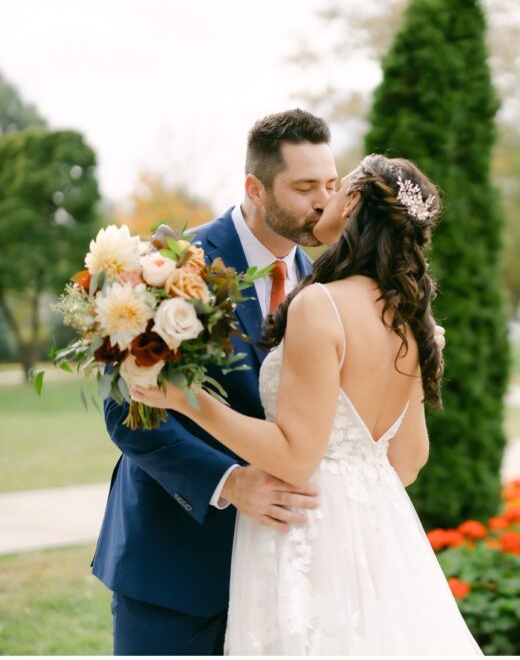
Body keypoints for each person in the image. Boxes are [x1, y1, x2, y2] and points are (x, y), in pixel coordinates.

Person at [129, 153, 482, 654]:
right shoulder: (412, 319)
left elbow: (297, 458)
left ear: (354, 202)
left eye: (337, 189)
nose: (324, 201)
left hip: (303, 530)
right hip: (375, 534)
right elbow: (406, 463)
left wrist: (186, 402)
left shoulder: (322, 303)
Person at [93, 109, 335, 655]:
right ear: (254, 187)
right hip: (175, 565)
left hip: (288, 572)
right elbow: (125, 413)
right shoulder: (168, 265)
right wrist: (229, 482)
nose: (322, 201)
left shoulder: (331, 282)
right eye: (304, 187)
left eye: (330, 184)